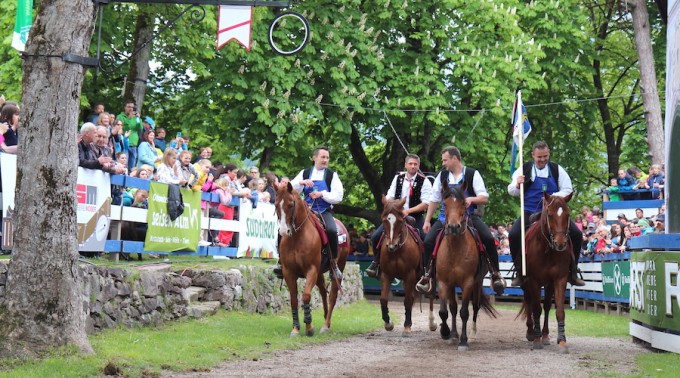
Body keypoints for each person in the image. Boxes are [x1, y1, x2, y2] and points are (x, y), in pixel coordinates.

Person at [417, 146, 505, 295]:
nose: (443, 163)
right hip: (445, 218)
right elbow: (434, 199)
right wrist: (427, 221)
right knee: (428, 242)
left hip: (468, 217)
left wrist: (471, 198)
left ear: (454, 159)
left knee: (489, 239)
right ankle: (427, 276)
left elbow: (484, 197)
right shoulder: (442, 175)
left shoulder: (472, 174)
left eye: (445, 160)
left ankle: (495, 273)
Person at [507, 141, 585, 286]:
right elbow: (511, 190)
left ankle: (572, 271)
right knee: (514, 235)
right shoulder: (524, 169)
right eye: (539, 157)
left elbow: (568, 189)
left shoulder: (557, 170)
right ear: (533, 156)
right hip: (529, 211)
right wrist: (517, 185)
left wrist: (553, 198)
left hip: (553, 214)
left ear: (549, 153)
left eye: (545, 156)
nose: (542, 160)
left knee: (576, 234)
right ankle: (519, 271)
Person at [274, 146, 344, 279]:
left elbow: (338, 196)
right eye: (323, 157)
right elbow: (289, 189)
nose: (325, 160)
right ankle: (281, 261)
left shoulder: (331, 175)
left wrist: (321, 194)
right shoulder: (305, 173)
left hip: (323, 210)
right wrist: (301, 182)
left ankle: (333, 265)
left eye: (327, 158)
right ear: (314, 158)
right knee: (282, 229)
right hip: (305, 210)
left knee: (331, 230)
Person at [366, 153, 432, 278]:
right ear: (405, 165)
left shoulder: (425, 181)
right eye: (410, 164)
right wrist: (388, 203)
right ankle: (376, 263)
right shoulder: (398, 178)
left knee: (426, 240)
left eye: (415, 164)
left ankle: (425, 270)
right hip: (396, 216)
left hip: (415, 216)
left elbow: (426, 203)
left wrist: (408, 211)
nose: (413, 166)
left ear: (418, 166)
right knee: (375, 237)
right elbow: (390, 196)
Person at [116, 100, 142, 171]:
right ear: (125, 107)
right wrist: (129, 119)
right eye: (129, 107)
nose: (130, 109)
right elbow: (125, 128)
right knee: (124, 163)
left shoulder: (135, 117)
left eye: (132, 107)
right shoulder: (120, 116)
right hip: (125, 144)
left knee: (132, 165)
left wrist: (138, 119)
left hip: (133, 144)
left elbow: (140, 128)